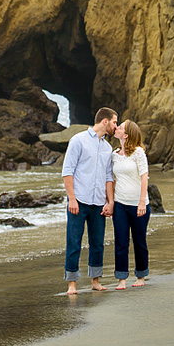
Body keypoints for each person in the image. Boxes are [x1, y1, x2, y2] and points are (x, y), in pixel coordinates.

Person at [62, 107, 118, 295]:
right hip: (79, 201)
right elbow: (67, 171)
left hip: (99, 204)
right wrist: (72, 199)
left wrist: (110, 202)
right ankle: (72, 284)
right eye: (114, 122)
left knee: (97, 243)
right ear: (105, 121)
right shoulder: (78, 140)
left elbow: (108, 177)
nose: (115, 126)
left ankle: (95, 281)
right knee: (74, 242)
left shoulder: (107, 147)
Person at [111, 119, 150, 289]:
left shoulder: (138, 153)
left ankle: (141, 276)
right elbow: (112, 180)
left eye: (120, 127)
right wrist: (110, 201)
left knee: (139, 241)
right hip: (120, 203)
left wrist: (142, 202)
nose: (116, 128)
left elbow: (144, 177)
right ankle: (121, 279)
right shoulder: (114, 155)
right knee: (121, 241)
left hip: (138, 204)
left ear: (126, 135)